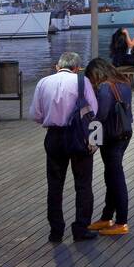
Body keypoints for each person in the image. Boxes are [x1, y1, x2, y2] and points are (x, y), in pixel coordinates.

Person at [30, 51, 98, 243]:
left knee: (54, 185)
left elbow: (35, 114)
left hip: (54, 137)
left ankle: (56, 230)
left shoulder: (43, 83)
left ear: (58, 66)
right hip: (79, 137)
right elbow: (93, 109)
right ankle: (81, 228)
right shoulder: (82, 82)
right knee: (83, 184)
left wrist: (51, 118)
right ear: (77, 68)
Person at [86, 57, 132, 236]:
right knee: (111, 174)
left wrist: (91, 139)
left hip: (111, 136)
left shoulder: (105, 87)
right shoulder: (124, 82)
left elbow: (100, 116)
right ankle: (107, 216)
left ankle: (121, 221)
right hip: (124, 133)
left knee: (115, 177)